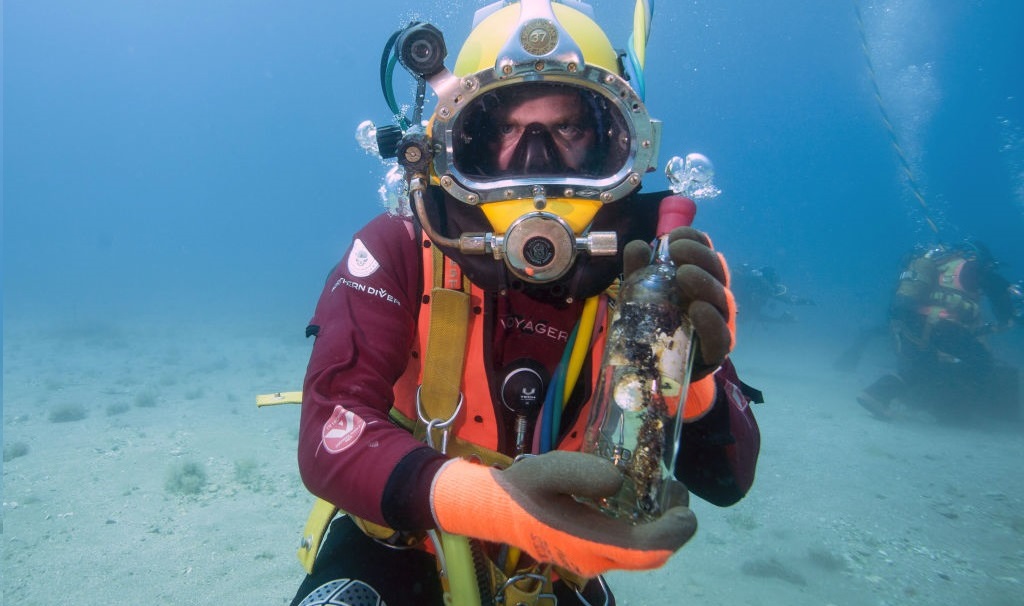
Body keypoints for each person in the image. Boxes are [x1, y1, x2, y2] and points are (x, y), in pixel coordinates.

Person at [290, 3, 761, 605]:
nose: (537, 165)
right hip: (399, 547)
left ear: (619, 143)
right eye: (504, 132)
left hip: (550, 571)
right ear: (452, 146)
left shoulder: (653, 273)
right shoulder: (400, 247)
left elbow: (727, 482)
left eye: (569, 130)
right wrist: (501, 508)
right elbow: (329, 434)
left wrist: (687, 372)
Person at [857, 240, 1020, 422]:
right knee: (982, 360)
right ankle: (956, 411)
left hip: (912, 323)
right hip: (942, 327)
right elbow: (1000, 297)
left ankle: (876, 395)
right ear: (980, 258)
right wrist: (1009, 314)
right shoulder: (973, 268)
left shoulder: (940, 264)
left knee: (920, 370)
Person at [730, 263, 814, 324]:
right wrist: (779, 321)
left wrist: (804, 301)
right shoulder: (748, 287)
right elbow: (752, 315)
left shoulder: (760, 290)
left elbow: (753, 315)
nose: (769, 290)